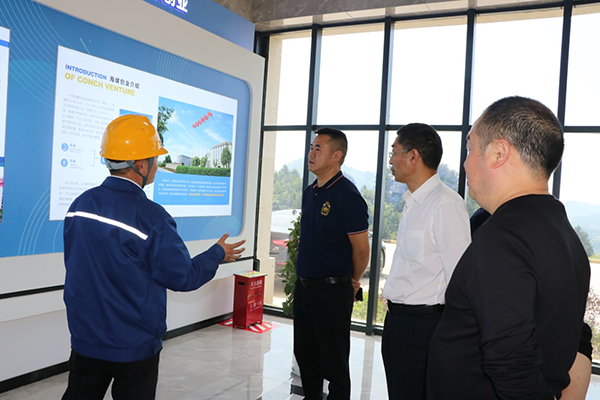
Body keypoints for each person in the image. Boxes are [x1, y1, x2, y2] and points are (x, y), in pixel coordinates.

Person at [62, 114, 245, 400]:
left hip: (86, 338)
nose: (157, 166)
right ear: (141, 165)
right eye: (155, 159)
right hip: (133, 346)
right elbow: (183, 276)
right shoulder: (152, 217)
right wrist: (217, 254)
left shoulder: (79, 205)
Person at [426, 96, 591, 399]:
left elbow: (513, 368)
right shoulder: (563, 232)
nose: (465, 162)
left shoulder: (504, 239)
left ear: (499, 153)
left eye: (470, 148)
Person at [381, 123, 471, 400]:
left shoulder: (445, 204)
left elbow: (461, 280)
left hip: (424, 328)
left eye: (394, 152)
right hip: (397, 324)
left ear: (413, 156)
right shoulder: (412, 202)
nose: (390, 160)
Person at [293, 127, 370, 400]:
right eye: (311, 148)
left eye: (318, 149)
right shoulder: (310, 191)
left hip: (332, 291)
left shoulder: (348, 195)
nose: (311, 153)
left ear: (337, 156)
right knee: (306, 356)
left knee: (334, 364)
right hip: (304, 288)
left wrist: (353, 280)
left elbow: (362, 251)